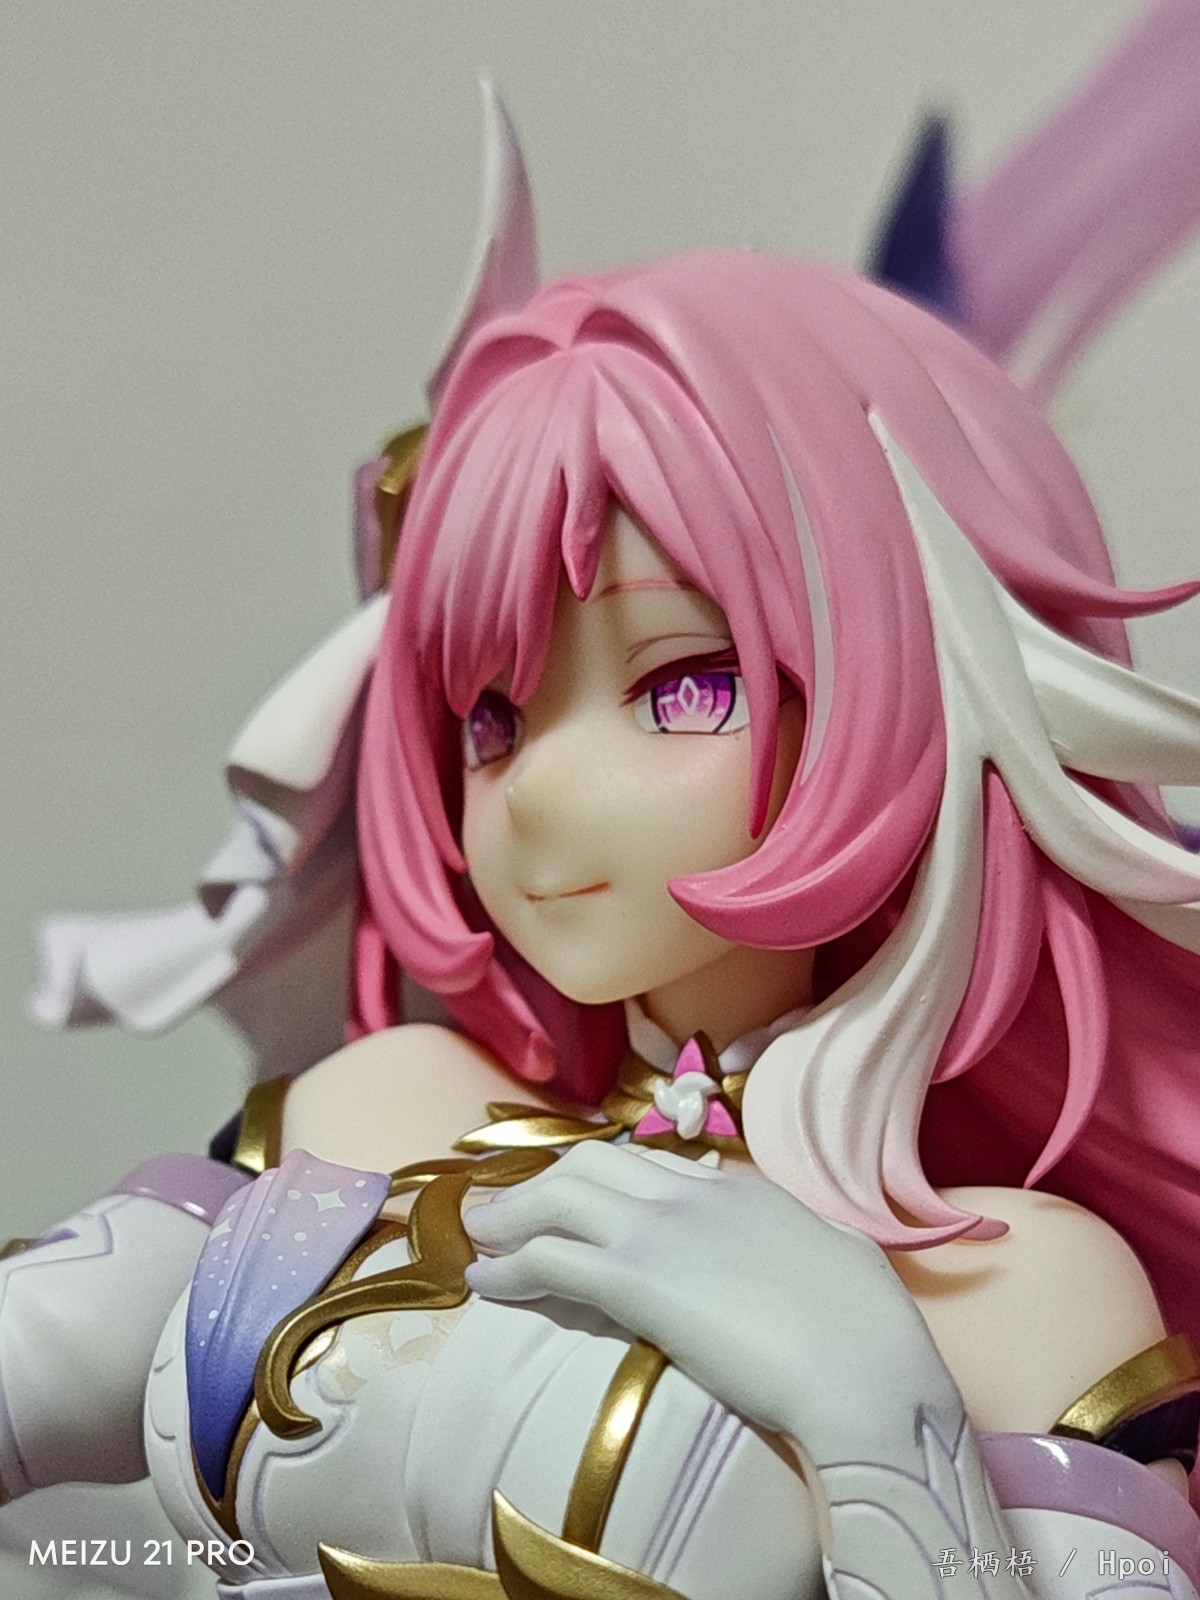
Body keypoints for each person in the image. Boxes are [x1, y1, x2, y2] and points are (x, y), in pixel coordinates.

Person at [7, 13, 1200, 1598]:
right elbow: (45, 1359)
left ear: (914, 686)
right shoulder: (378, 1113)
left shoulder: (1019, 1292)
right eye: (492, 717)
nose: (545, 793)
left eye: (683, 685)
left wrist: (870, 1406)